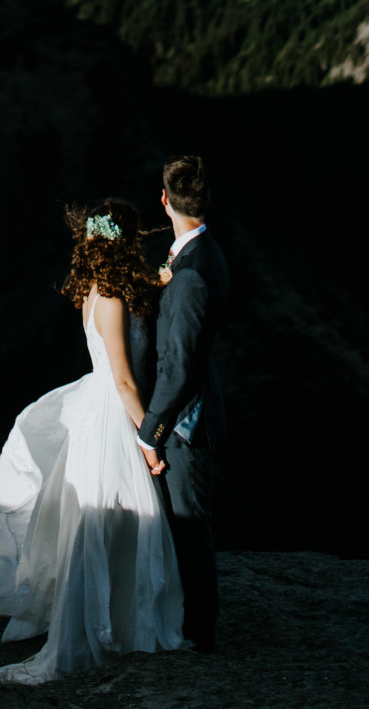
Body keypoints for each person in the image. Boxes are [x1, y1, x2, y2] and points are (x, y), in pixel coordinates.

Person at [0, 197, 186, 684]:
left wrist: (162, 277)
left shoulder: (96, 291)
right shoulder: (112, 297)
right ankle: (110, 625)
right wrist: (149, 436)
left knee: (102, 523)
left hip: (94, 409)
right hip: (110, 414)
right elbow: (122, 379)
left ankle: (112, 617)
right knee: (113, 522)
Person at [137, 154, 230, 653]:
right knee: (183, 526)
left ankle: (199, 633)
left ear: (165, 200)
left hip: (185, 425)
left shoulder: (192, 272)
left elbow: (179, 367)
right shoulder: (200, 255)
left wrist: (149, 430)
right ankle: (188, 622)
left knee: (191, 529)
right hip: (184, 416)